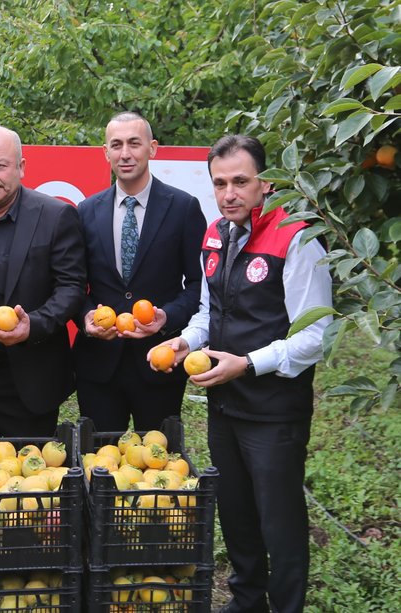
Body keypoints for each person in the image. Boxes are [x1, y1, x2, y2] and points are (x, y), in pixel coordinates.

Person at [151, 135, 332, 613]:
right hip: (225, 403)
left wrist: (248, 363)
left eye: (240, 182)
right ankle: (246, 600)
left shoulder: (296, 236)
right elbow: (209, 313)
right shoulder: (216, 234)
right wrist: (185, 340)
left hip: (274, 409)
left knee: (281, 522)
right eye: (220, 183)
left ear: (265, 184)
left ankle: (286, 606)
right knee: (236, 513)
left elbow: (315, 336)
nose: (229, 193)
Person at [0, 126, 86, 437]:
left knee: (25, 480)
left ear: (21, 167)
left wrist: (32, 325)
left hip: (26, 379)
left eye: (0, 165)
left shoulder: (56, 216)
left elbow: (71, 289)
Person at [72, 111, 206, 432]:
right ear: (105, 152)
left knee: (161, 462)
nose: (125, 153)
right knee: (99, 463)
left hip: (159, 360)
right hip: (99, 364)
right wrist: (88, 318)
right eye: (116, 145)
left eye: (134, 143)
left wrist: (167, 318)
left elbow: (198, 285)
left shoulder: (183, 208)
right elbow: (73, 284)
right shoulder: (86, 211)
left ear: (153, 148)